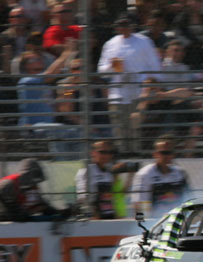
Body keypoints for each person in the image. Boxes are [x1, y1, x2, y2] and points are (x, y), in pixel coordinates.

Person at [97, 14, 163, 152]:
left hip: (138, 92)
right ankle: (122, 155)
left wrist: (152, 85)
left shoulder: (144, 41)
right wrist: (111, 66)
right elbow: (102, 70)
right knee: (119, 128)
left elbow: (154, 66)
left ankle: (135, 155)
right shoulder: (110, 44)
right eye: (121, 25)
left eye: (126, 25)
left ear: (132, 26)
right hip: (118, 92)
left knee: (135, 127)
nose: (124, 28)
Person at [75, 140, 138, 219]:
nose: (107, 155)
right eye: (103, 152)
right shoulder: (85, 172)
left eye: (110, 152)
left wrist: (130, 175)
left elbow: (116, 196)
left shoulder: (109, 172)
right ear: (93, 153)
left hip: (111, 217)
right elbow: (82, 199)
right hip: (95, 219)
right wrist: (94, 216)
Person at [131, 137, 191, 217]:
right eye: (163, 153)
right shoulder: (144, 174)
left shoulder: (180, 173)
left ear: (173, 155)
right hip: (155, 220)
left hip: (177, 219)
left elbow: (189, 198)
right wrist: (142, 222)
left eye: (169, 153)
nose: (166, 156)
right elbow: (138, 204)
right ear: (155, 154)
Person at [0, 158, 68, 222]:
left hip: (16, 219)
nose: (34, 183)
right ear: (25, 175)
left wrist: (60, 212)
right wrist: (35, 210)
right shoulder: (7, 185)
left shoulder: (32, 186)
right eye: (32, 178)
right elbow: (17, 216)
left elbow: (43, 207)